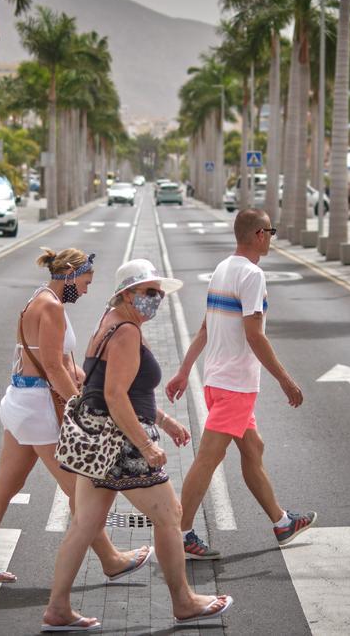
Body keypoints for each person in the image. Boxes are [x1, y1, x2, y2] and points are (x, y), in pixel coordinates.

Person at [43, 259, 233, 632]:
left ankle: (57, 608)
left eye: (159, 293)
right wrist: (146, 444)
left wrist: (164, 420)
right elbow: (115, 395)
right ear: (128, 294)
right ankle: (184, 602)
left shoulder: (111, 321)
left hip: (100, 438)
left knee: (84, 524)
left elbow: (124, 389)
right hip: (122, 442)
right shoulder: (128, 331)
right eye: (149, 292)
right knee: (169, 515)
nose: (156, 299)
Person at [0, 248, 150, 586]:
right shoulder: (50, 306)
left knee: (6, 486)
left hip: (22, 402)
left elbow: (58, 361)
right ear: (71, 274)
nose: (88, 290)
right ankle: (111, 558)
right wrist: (78, 403)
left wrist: (85, 378)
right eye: (86, 282)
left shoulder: (42, 298)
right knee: (78, 489)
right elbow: (51, 366)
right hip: (38, 409)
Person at [166, 208, 314, 561]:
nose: (272, 238)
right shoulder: (251, 275)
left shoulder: (222, 269)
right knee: (207, 458)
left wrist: (185, 370)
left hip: (218, 380)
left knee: (253, 448)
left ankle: (281, 522)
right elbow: (254, 335)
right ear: (260, 234)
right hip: (235, 385)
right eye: (271, 232)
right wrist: (286, 380)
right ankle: (181, 533)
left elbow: (205, 327)